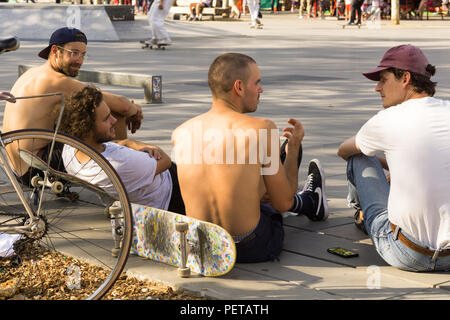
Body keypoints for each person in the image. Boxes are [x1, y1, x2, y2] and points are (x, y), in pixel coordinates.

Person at [172, 53, 328, 263]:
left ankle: (306, 199)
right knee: (274, 197)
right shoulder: (262, 129)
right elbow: (283, 203)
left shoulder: (181, 132)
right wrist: (293, 150)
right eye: (257, 83)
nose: (261, 89)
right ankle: (308, 200)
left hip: (201, 246)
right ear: (239, 87)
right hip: (249, 246)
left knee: (250, 177)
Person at [337, 44, 450, 272]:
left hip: (408, 253)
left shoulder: (388, 118)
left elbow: (343, 150)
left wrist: (381, 165)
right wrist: (397, 165)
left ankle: (362, 214)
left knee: (359, 157)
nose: (377, 88)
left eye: (383, 79)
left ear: (405, 78)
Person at [2, 27, 143, 181]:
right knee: (114, 113)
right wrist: (135, 111)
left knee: (84, 114)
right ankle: (122, 174)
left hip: (15, 165)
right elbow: (122, 105)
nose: (79, 60)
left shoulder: (33, 73)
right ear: (55, 51)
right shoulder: (54, 81)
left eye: (83, 55)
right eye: (73, 53)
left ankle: (117, 165)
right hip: (33, 167)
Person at [59, 85, 185, 214]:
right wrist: (131, 143)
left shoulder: (69, 149)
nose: (114, 120)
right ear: (87, 130)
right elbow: (165, 161)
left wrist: (123, 143)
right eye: (106, 118)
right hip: (172, 192)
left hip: (141, 186)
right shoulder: (119, 162)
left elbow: (114, 143)